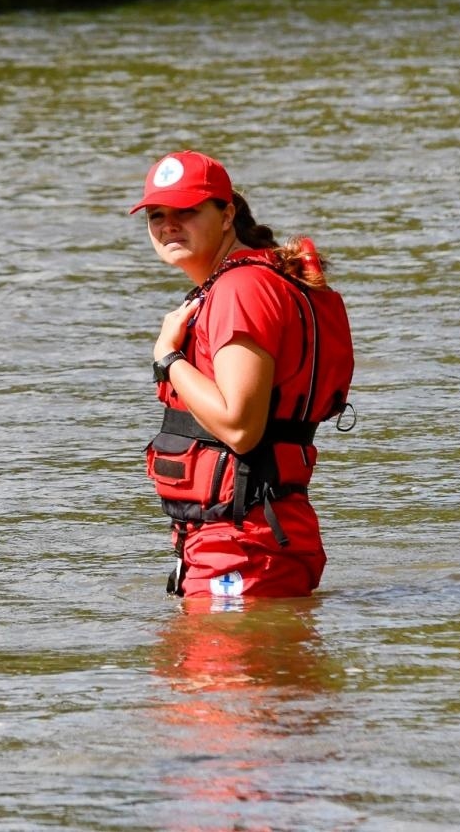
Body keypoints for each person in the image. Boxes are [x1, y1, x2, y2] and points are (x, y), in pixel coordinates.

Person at [130, 150, 354, 602]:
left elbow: (240, 427)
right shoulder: (254, 281)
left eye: (187, 211)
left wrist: (170, 357)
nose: (169, 225)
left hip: (240, 544)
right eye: (157, 215)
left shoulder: (240, 290)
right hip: (254, 536)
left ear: (227, 213)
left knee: (222, 671)